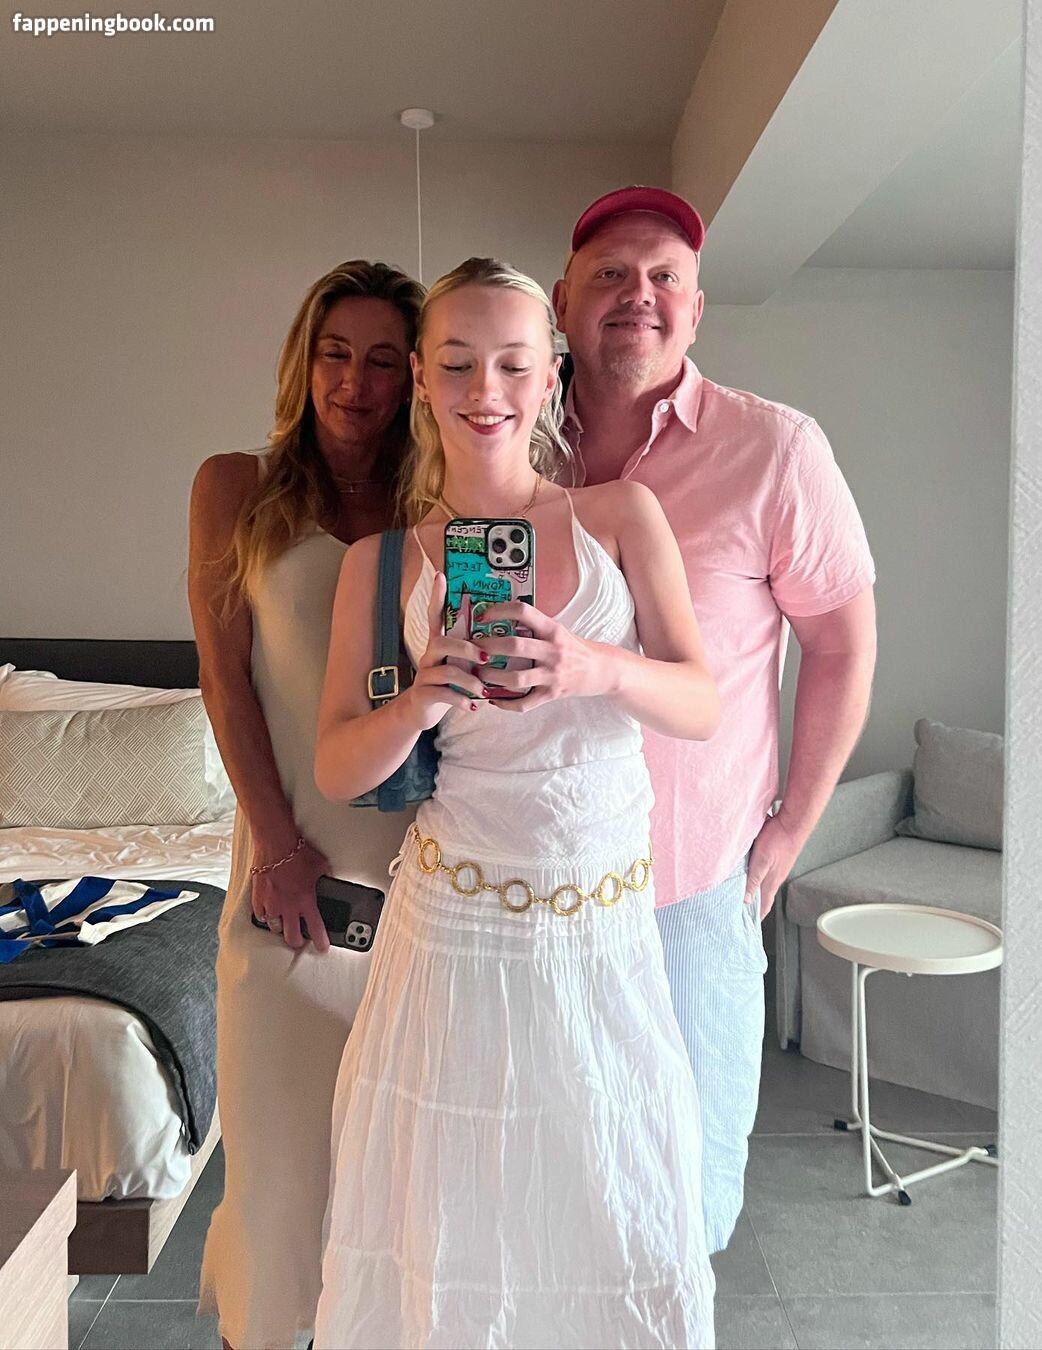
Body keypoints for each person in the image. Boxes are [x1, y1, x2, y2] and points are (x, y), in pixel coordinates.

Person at [312, 257, 718, 1350]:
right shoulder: (381, 562)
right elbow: (338, 767)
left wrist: (595, 666)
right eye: (455, 363)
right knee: (453, 1226)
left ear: (550, 378)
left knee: (613, 1216)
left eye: (511, 363)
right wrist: (420, 701)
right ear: (422, 381)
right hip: (452, 938)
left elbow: (703, 702)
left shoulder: (620, 517)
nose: (483, 389)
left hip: (601, 934)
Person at [553, 186, 878, 1253]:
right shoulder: (503, 441)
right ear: (561, 301)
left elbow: (842, 646)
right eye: (610, 274)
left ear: (696, 311)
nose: (637, 295)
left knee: (683, 1197)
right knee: (548, 1190)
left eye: (665, 279)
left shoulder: (776, 450)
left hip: (692, 887)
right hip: (531, 882)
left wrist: (790, 832)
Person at [187, 259, 425, 1350]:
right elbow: (224, 679)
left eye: (382, 361)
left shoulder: (442, 510)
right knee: (280, 1186)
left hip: (423, 892)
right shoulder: (235, 488)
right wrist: (277, 846)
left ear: (412, 376)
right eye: (335, 354)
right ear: (303, 360)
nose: (354, 383)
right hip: (290, 883)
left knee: (397, 1196)